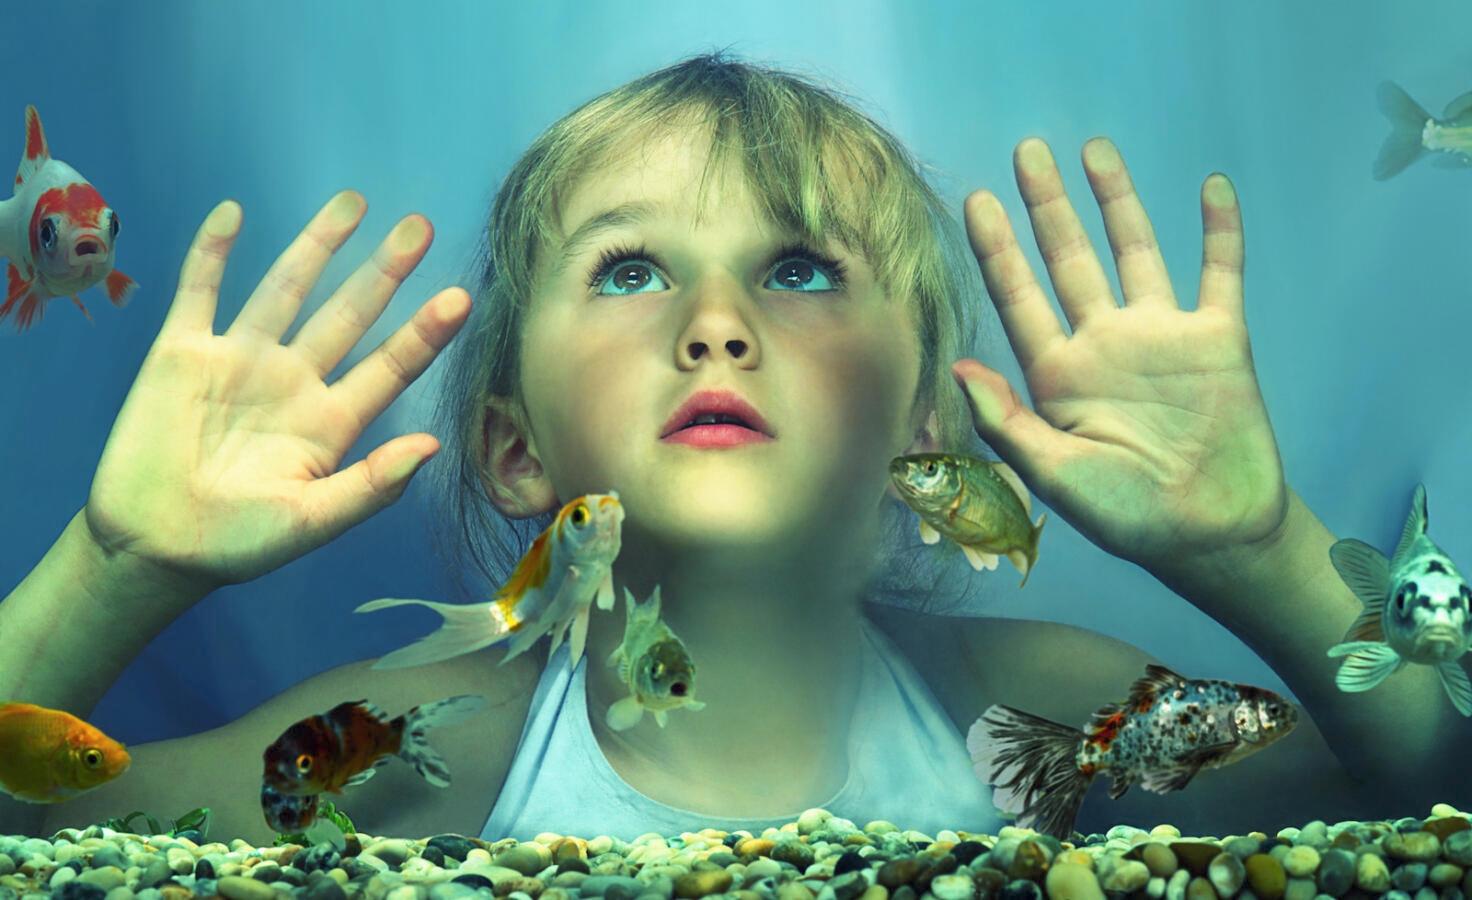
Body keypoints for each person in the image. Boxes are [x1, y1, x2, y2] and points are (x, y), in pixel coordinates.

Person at [0, 54, 1457, 845]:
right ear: (511, 448)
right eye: (631, 271)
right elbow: (36, 822)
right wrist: (114, 566)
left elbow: (1428, 806)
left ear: (919, 428)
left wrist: (1265, 555)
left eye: (802, 270)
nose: (716, 325)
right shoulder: (440, 745)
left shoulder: (1027, 709)